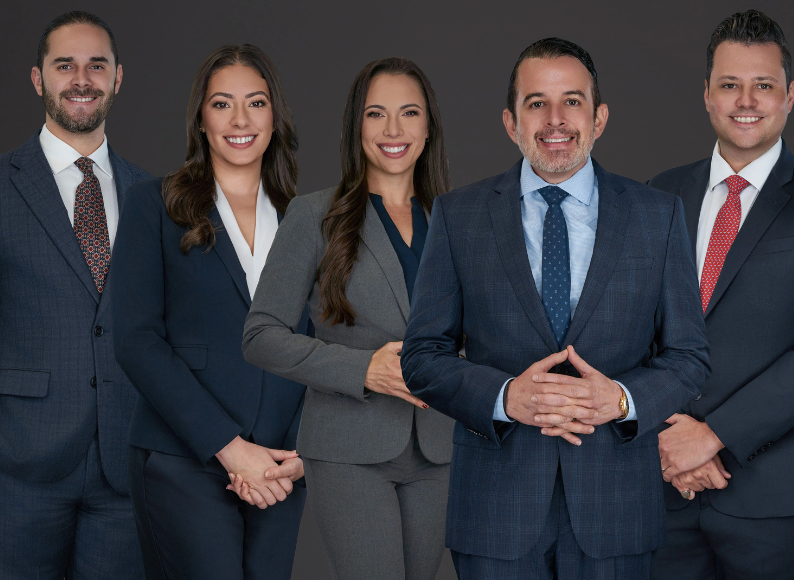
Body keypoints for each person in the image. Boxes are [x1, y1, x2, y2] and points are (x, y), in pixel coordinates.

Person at [400, 37, 710, 579]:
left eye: (573, 100)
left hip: (616, 512)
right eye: (536, 102)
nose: (555, 119)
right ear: (510, 122)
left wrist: (618, 399)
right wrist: (504, 397)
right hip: (496, 512)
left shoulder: (656, 216)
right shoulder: (459, 217)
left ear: (600, 117)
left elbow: (689, 357)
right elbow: (423, 356)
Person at [645, 10, 794, 579]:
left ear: (789, 95)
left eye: (763, 85)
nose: (746, 100)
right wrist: (674, 441)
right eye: (730, 85)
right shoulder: (659, 195)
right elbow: (630, 330)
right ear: (707, 95)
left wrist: (714, 438)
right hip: (664, 486)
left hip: (779, 499)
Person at [243, 57, 454, 580]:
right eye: (375, 114)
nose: (393, 130)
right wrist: (363, 370)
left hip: (441, 449)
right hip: (348, 448)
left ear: (428, 127)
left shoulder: (458, 220)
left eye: (409, 113)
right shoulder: (315, 215)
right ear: (355, 127)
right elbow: (261, 336)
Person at [111, 44, 308, 579]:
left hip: (281, 469)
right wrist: (230, 449)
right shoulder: (153, 204)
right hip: (183, 460)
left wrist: (299, 454)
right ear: (201, 118)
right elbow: (134, 339)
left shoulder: (309, 219)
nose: (240, 120)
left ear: (275, 115)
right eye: (222, 104)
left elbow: (324, 347)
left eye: (256, 102)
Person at [0, 11, 151, 578]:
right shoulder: (3, 185)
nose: (81, 79)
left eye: (96, 66)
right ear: (38, 79)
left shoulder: (152, 196)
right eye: (65, 65)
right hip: (17, 466)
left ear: (118, 79)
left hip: (125, 465)